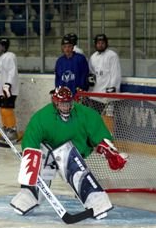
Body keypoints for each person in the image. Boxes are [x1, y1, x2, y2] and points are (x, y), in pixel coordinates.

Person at [10, 86, 128, 220]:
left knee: (71, 159)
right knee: (40, 156)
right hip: (48, 154)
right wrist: (30, 165)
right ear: (55, 103)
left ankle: (95, 199)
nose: (66, 107)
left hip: (71, 155)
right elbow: (31, 142)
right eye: (62, 104)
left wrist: (110, 153)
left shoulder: (86, 114)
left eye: (68, 103)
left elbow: (100, 137)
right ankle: (29, 194)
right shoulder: (42, 117)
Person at [0, 37, 19, 142]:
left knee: (6, 109)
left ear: (4, 47)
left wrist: (8, 85)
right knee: (2, 110)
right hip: (1, 90)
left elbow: (12, 72)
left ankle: (12, 131)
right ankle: (6, 130)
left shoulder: (9, 56)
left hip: (9, 89)